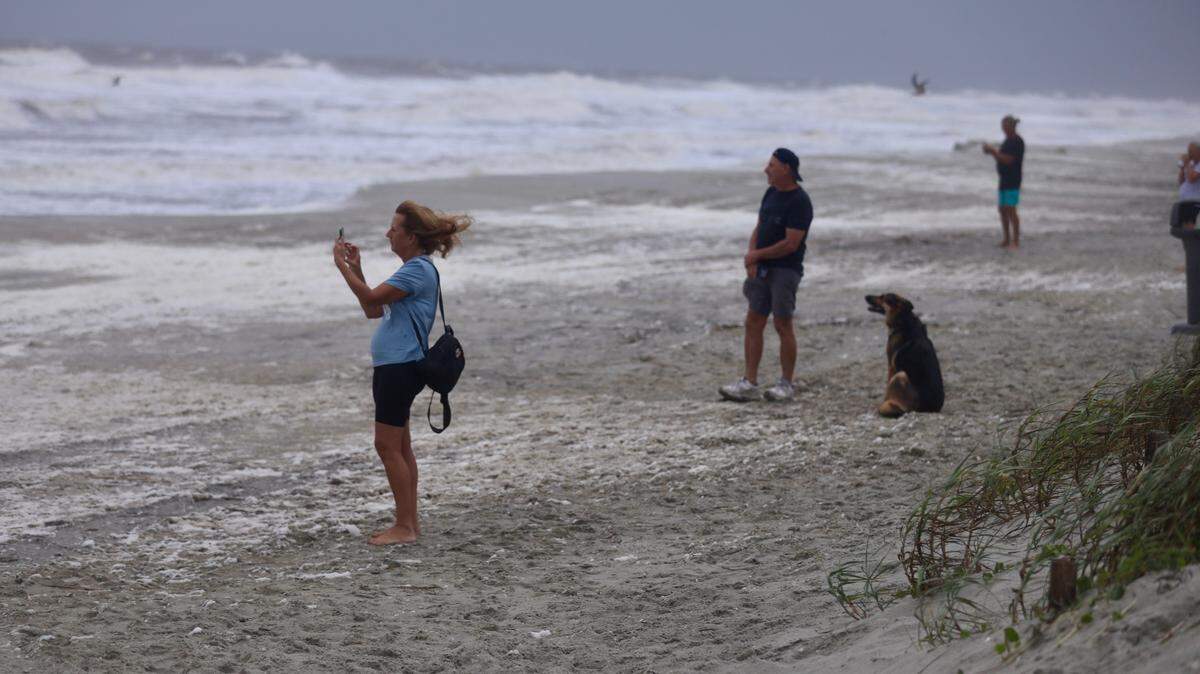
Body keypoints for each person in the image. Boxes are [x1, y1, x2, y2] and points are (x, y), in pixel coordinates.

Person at [333, 201, 471, 545]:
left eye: (394, 229)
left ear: (411, 236)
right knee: (400, 447)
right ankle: (409, 522)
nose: (388, 233)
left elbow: (367, 297)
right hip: (398, 365)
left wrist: (341, 266)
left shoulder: (416, 271)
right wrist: (357, 268)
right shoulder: (415, 269)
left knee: (387, 446)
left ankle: (405, 527)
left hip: (399, 367)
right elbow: (373, 308)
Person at [719, 148, 814, 403]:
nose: (766, 169)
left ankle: (786, 384)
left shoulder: (800, 201)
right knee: (753, 321)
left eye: (771, 165)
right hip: (761, 269)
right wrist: (752, 256)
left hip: (785, 271)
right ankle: (749, 382)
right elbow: (759, 227)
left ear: (786, 169)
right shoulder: (771, 193)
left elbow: (791, 244)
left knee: (783, 324)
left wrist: (757, 254)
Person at [982, 115, 1025, 249]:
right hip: (1004, 178)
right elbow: (1001, 159)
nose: (1003, 129)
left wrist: (993, 151)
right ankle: (1006, 239)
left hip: (1013, 179)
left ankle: (1015, 241)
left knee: (1011, 210)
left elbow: (1009, 160)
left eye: (1005, 126)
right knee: (1002, 209)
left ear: (1011, 126)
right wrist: (992, 153)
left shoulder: (1017, 141)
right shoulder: (1007, 141)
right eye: (1002, 126)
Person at [1177, 142, 1200, 228]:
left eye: (1191, 151)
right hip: (1184, 200)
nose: (1189, 153)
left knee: (1191, 224)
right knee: (1184, 225)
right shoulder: (1191, 164)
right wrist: (1182, 168)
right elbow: (1181, 181)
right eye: (1189, 151)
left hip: (1194, 200)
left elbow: (1192, 179)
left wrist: (1187, 164)